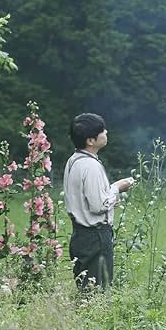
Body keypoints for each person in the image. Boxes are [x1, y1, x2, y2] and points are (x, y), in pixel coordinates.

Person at [64, 112, 134, 290]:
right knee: (97, 290)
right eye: (102, 131)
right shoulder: (91, 166)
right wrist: (117, 188)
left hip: (79, 234)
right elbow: (98, 206)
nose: (106, 132)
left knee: (86, 288)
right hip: (95, 236)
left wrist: (109, 198)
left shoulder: (74, 160)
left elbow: (86, 199)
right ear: (90, 140)